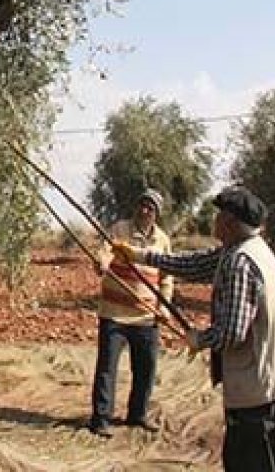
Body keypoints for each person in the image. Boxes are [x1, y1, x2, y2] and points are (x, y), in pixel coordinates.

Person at [113, 186, 275, 472]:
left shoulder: (241, 263)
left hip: (261, 395)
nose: (213, 221)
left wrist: (199, 339)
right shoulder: (245, 249)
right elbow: (192, 264)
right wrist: (139, 256)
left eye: (219, 216)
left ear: (229, 222)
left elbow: (231, 333)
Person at [88, 188, 174, 438]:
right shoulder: (119, 230)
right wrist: (102, 262)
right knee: (107, 368)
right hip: (114, 314)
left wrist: (164, 307)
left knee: (146, 368)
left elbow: (166, 277)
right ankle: (100, 418)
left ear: (157, 213)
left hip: (146, 317)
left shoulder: (162, 241)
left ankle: (137, 414)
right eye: (142, 205)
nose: (145, 210)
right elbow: (104, 251)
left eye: (151, 207)